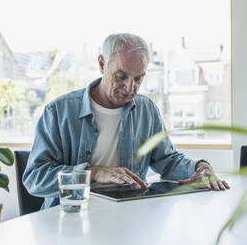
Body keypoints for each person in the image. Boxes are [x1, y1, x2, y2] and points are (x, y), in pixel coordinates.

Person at [23, 33, 230, 209]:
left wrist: (199, 167)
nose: (130, 88)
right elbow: (34, 179)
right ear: (102, 64)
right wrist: (92, 173)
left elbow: (168, 160)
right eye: (121, 76)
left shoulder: (146, 109)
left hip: (129, 217)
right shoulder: (59, 111)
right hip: (70, 219)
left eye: (138, 79)